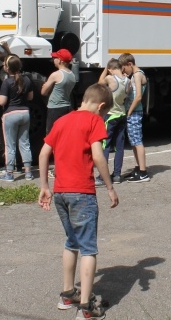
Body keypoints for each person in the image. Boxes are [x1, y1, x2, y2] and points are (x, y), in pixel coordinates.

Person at [38, 83, 118, 319]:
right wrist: (110, 187)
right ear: (101, 106)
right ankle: (86, 307)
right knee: (89, 249)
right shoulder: (94, 122)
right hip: (82, 192)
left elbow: (43, 153)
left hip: (60, 191)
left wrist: (44, 186)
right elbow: (97, 156)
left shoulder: (61, 121)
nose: (103, 116)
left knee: (70, 242)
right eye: (104, 113)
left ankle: (67, 293)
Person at [0, 55, 34, 181]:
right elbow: (30, 97)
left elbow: (2, 102)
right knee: (25, 143)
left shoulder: (7, 82)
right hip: (25, 113)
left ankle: (9, 173)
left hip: (10, 114)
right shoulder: (27, 80)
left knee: (10, 145)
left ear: (8, 68)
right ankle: (28, 172)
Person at [97, 58, 129, 185]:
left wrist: (105, 69)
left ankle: (101, 176)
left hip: (110, 115)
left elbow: (99, 84)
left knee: (105, 145)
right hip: (122, 114)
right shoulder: (128, 81)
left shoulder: (111, 79)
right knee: (119, 146)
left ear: (111, 69)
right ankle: (117, 175)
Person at [119, 53, 150, 182]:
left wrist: (129, 112)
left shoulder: (138, 75)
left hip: (135, 112)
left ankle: (143, 172)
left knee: (137, 141)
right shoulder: (135, 75)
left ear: (130, 64)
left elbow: (138, 97)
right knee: (133, 141)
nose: (123, 71)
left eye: (124, 68)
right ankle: (138, 168)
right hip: (134, 111)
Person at [42, 49, 77, 135]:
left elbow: (43, 92)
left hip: (55, 108)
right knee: (63, 134)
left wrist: (45, 85)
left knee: (51, 135)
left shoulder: (56, 75)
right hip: (67, 107)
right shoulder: (72, 75)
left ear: (60, 60)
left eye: (55, 58)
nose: (53, 59)